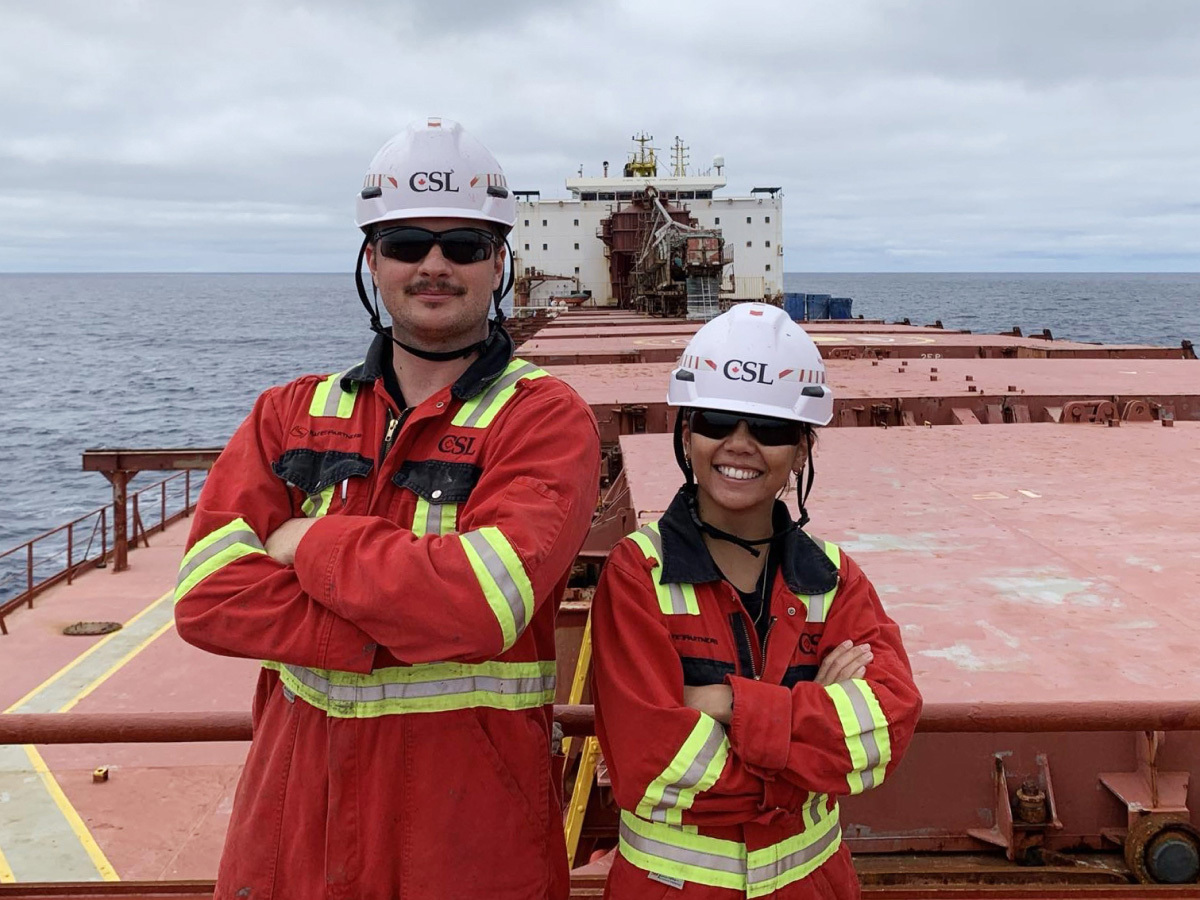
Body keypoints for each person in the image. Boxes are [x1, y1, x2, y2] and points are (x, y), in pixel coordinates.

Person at [175, 117, 601, 900]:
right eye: (406, 243)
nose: (433, 265)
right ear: (373, 259)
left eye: (464, 246)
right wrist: (411, 614)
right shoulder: (288, 412)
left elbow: (482, 603)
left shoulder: (542, 418)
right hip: (294, 837)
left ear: (500, 262)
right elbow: (207, 598)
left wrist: (305, 543)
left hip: (466, 846)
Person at [590, 303, 922, 899]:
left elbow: (881, 737)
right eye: (719, 420)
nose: (740, 444)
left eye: (770, 429)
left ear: (801, 451)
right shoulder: (638, 575)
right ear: (687, 433)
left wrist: (723, 703)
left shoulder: (834, 578)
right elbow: (657, 770)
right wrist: (811, 726)